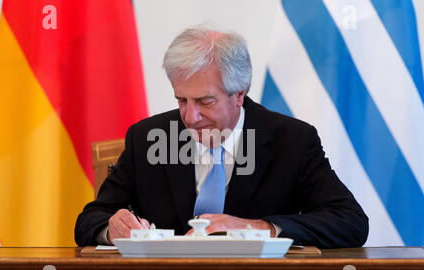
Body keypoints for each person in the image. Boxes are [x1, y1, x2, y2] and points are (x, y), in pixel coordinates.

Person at [74, 26, 368, 248]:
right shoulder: (147, 137)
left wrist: (259, 228)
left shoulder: (293, 140)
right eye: (182, 101)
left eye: (205, 101)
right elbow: (90, 220)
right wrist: (113, 229)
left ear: (239, 94)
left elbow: (351, 222)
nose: (190, 117)